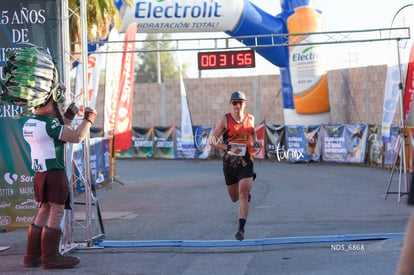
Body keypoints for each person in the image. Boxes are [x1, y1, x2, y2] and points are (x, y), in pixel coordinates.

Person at [0, 45, 97, 269]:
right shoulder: (51, 125)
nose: (61, 104)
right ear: (51, 98)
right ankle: (51, 256)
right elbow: (75, 137)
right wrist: (89, 118)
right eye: (59, 100)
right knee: (56, 211)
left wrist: (70, 114)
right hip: (54, 175)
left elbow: (59, 132)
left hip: (39, 177)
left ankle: (31, 256)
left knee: (43, 210)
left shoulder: (31, 123)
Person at [210, 91, 260, 241]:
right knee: (234, 198)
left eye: (241, 102)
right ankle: (247, 183)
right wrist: (228, 148)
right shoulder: (224, 120)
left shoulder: (250, 118)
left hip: (245, 160)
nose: (238, 105)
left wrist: (255, 141)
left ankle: (241, 230)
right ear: (230, 104)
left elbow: (252, 134)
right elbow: (212, 141)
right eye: (235, 103)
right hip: (229, 162)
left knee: (243, 195)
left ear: (245, 103)